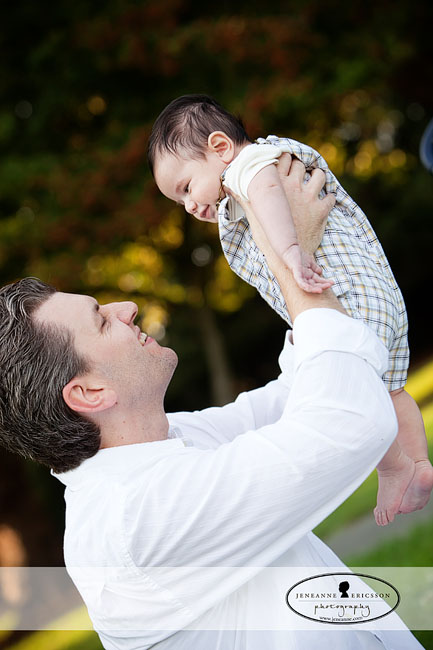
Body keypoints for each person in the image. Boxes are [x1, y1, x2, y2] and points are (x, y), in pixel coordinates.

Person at [0, 164, 424, 649]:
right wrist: (292, 255)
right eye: (101, 321)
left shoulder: (162, 445)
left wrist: (289, 239)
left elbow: (301, 391)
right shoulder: (134, 518)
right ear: (90, 393)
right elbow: (345, 424)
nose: (126, 309)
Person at [147, 94, 433, 526]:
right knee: (391, 390)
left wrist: (292, 251)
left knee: (358, 393)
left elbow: (268, 195)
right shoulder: (247, 179)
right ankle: (419, 464)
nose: (188, 205)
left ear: (220, 147)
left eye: (186, 187)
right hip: (375, 298)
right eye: (179, 201)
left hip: (347, 302)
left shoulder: (249, 168)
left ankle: (395, 468)